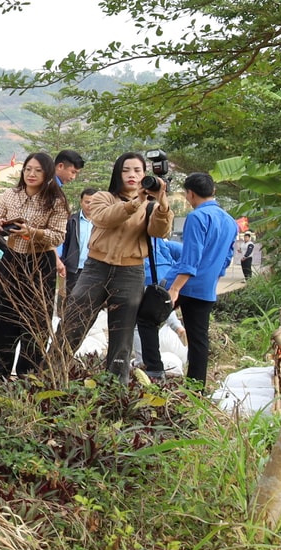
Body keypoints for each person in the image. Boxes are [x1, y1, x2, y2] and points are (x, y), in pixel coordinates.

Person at [53, 151, 173, 379]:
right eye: (126, 169)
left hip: (130, 272)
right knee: (74, 321)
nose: (131, 175)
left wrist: (162, 201)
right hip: (96, 268)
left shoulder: (151, 206)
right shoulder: (103, 197)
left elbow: (160, 231)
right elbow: (104, 219)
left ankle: (115, 387)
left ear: (145, 174)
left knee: (123, 333)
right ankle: (50, 374)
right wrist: (136, 201)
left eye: (137, 170)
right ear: (118, 172)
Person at [0, 152, 70, 382]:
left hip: (41, 262)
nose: (31, 174)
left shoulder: (57, 200)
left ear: (48, 172)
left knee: (36, 317)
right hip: (12, 257)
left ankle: (28, 374)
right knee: (3, 313)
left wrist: (33, 232)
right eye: (28, 169)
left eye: (38, 170)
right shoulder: (11, 194)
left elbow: (58, 236)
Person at [168, 172, 239, 384]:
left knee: (145, 319)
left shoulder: (197, 217)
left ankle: (152, 368)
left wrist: (174, 289)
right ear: (213, 191)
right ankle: (196, 386)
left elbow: (191, 257)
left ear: (190, 194)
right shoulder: (230, 221)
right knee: (199, 338)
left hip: (185, 285)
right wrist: (215, 276)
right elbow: (227, 256)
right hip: (206, 288)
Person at [139, 236, 185, 380]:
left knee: (143, 322)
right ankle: (177, 327)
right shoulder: (157, 237)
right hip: (166, 278)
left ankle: (148, 366)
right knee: (160, 309)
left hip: (147, 279)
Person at [53, 150, 86, 279]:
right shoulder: (50, 189)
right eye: (73, 172)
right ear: (60, 166)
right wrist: (55, 258)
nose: (73, 177)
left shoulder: (57, 189)